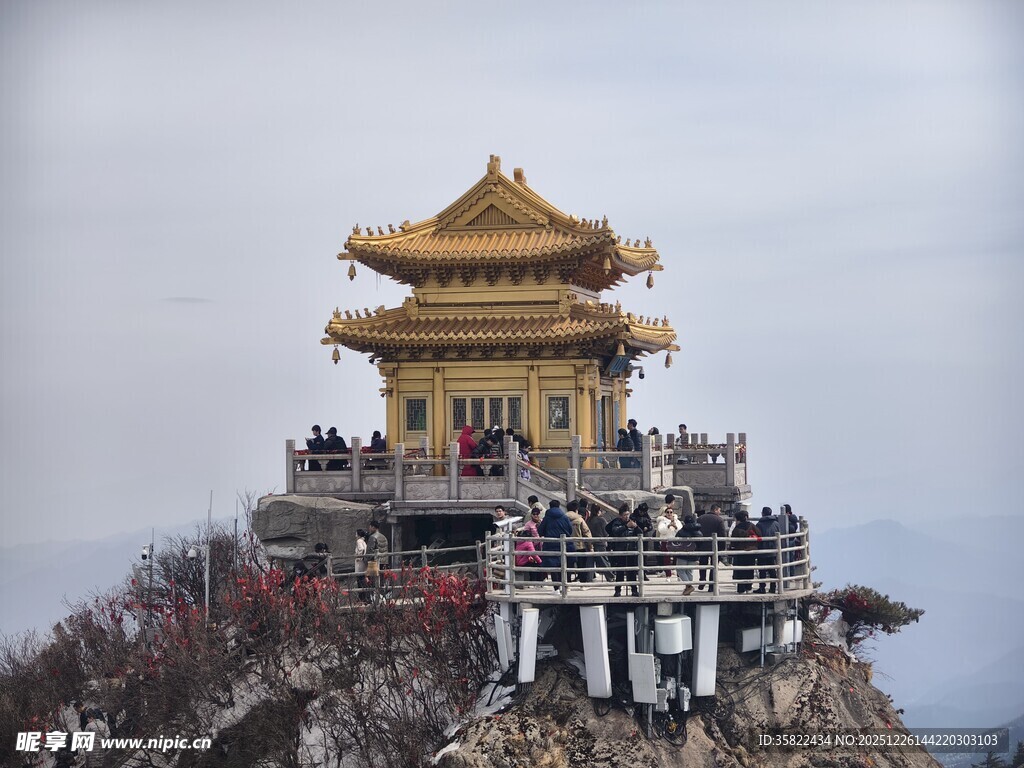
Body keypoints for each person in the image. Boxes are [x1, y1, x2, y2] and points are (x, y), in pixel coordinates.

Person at [537, 499, 574, 590]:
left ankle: (556, 588)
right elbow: (570, 530)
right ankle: (565, 585)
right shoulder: (564, 517)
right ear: (559, 506)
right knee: (564, 565)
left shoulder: (547, 518)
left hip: (550, 544)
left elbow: (540, 531)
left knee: (553, 567)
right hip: (563, 544)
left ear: (550, 506)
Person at [607, 504, 642, 596]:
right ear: (620, 516)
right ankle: (617, 590)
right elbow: (615, 531)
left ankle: (634, 590)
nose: (627, 517)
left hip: (631, 550)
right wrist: (626, 526)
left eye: (628, 514)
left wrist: (636, 527)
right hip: (620, 550)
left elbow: (641, 533)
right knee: (620, 572)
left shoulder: (632, 521)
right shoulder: (616, 522)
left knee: (632, 572)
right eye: (624, 515)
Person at [696, 504, 729, 591]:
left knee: (703, 564)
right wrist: (722, 547)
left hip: (702, 545)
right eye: (719, 510)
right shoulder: (719, 520)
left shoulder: (700, 518)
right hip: (714, 546)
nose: (720, 512)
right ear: (715, 510)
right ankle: (712, 585)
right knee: (714, 566)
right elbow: (722, 534)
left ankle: (702, 581)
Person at [730, 510, 759, 594]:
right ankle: (749, 587)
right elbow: (759, 535)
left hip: (740, 552)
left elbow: (733, 542)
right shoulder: (752, 526)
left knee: (740, 570)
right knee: (749, 570)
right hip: (751, 551)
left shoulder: (736, 529)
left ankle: (741, 589)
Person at [674, 514, 703, 595]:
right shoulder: (698, 532)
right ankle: (688, 589)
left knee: (680, 570)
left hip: (683, 554)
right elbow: (701, 543)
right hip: (694, 554)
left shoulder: (682, 531)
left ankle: (689, 586)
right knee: (689, 571)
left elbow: (676, 542)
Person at [565, 500, 594, 582]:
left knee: (568, 565)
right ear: (576, 510)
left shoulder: (563, 519)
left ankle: (567, 582)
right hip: (580, 545)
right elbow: (586, 532)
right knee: (581, 565)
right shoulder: (580, 519)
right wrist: (590, 546)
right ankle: (582, 582)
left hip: (567, 545)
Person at [754, 506, 781, 593]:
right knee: (772, 569)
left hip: (762, 550)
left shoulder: (759, 524)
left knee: (762, 570)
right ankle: (773, 587)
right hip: (773, 550)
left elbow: (757, 536)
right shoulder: (776, 524)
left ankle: (762, 588)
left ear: (763, 513)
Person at [656, 496, 682, 577]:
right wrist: (668, 525)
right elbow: (661, 525)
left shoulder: (675, 519)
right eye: (668, 512)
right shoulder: (664, 510)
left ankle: (673, 570)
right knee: (665, 556)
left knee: (675, 556)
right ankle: (665, 571)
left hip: (673, 537)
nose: (669, 514)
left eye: (671, 512)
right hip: (664, 537)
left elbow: (679, 528)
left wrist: (675, 526)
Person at [586, 502, 611, 581]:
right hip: (600, 543)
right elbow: (606, 532)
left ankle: (588, 579)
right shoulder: (602, 520)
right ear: (598, 511)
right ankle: (610, 577)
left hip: (590, 543)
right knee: (604, 561)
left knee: (590, 562)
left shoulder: (588, 520)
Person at [354, 529, 368, 597]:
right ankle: (364, 596)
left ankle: (362, 597)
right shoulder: (363, 541)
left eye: (356, 534)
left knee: (360, 580)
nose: (355, 535)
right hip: (363, 562)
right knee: (362, 579)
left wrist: (358, 557)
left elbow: (361, 549)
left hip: (360, 563)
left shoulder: (359, 541)